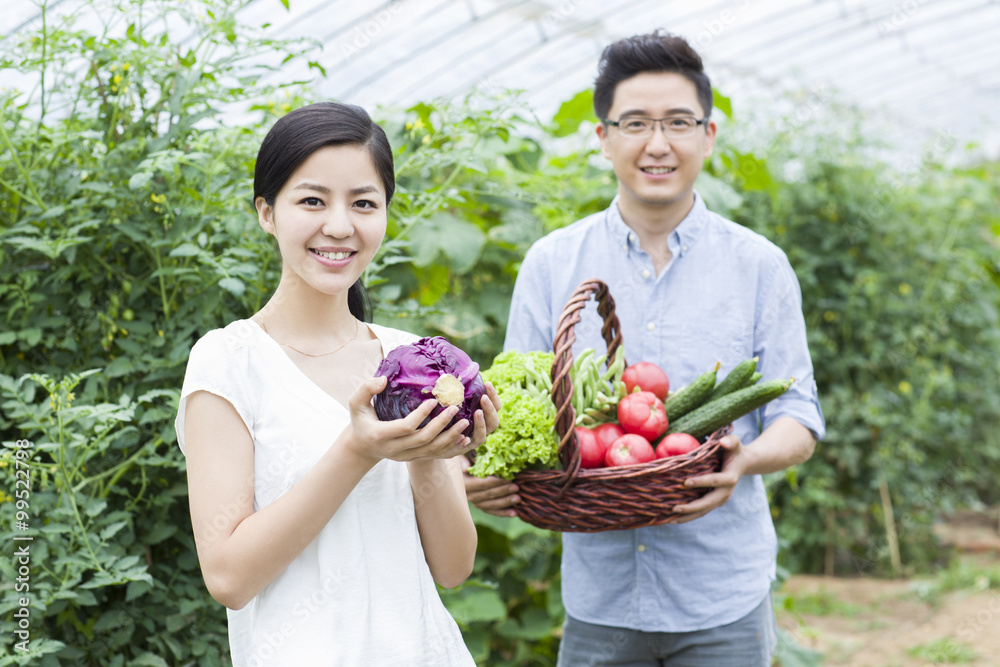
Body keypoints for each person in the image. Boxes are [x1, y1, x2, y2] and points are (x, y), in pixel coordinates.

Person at [464, 31, 825, 666]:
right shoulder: (553, 263)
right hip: (600, 598)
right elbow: (512, 399)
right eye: (635, 123)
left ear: (708, 135)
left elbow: (799, 417)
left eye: (678, 123)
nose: (657, 143)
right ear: (603, 138)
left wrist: (745, 460)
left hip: (723, 596)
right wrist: (488, 473)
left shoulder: (759, 266)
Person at [175, 102, 500, 666]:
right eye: (312, 200)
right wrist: (357, 450)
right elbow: (229, 577)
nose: (340, 226)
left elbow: (453, 568)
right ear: (266, 212)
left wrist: (427, 452)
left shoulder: (410, 361)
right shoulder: (229, 363)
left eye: (364, 203)